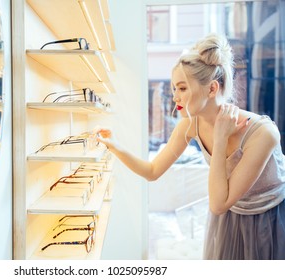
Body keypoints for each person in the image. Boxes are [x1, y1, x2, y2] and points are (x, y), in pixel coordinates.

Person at [97, 33, 285, 260]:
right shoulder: (190, 124)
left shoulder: (263, 134)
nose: (174, 96)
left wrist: (220, 137)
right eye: (174, 88)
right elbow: (152, 171)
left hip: (269, 223)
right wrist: (113, 145)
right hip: (228, 221)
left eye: (182, 88)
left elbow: (218, 204)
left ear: (212, 89)